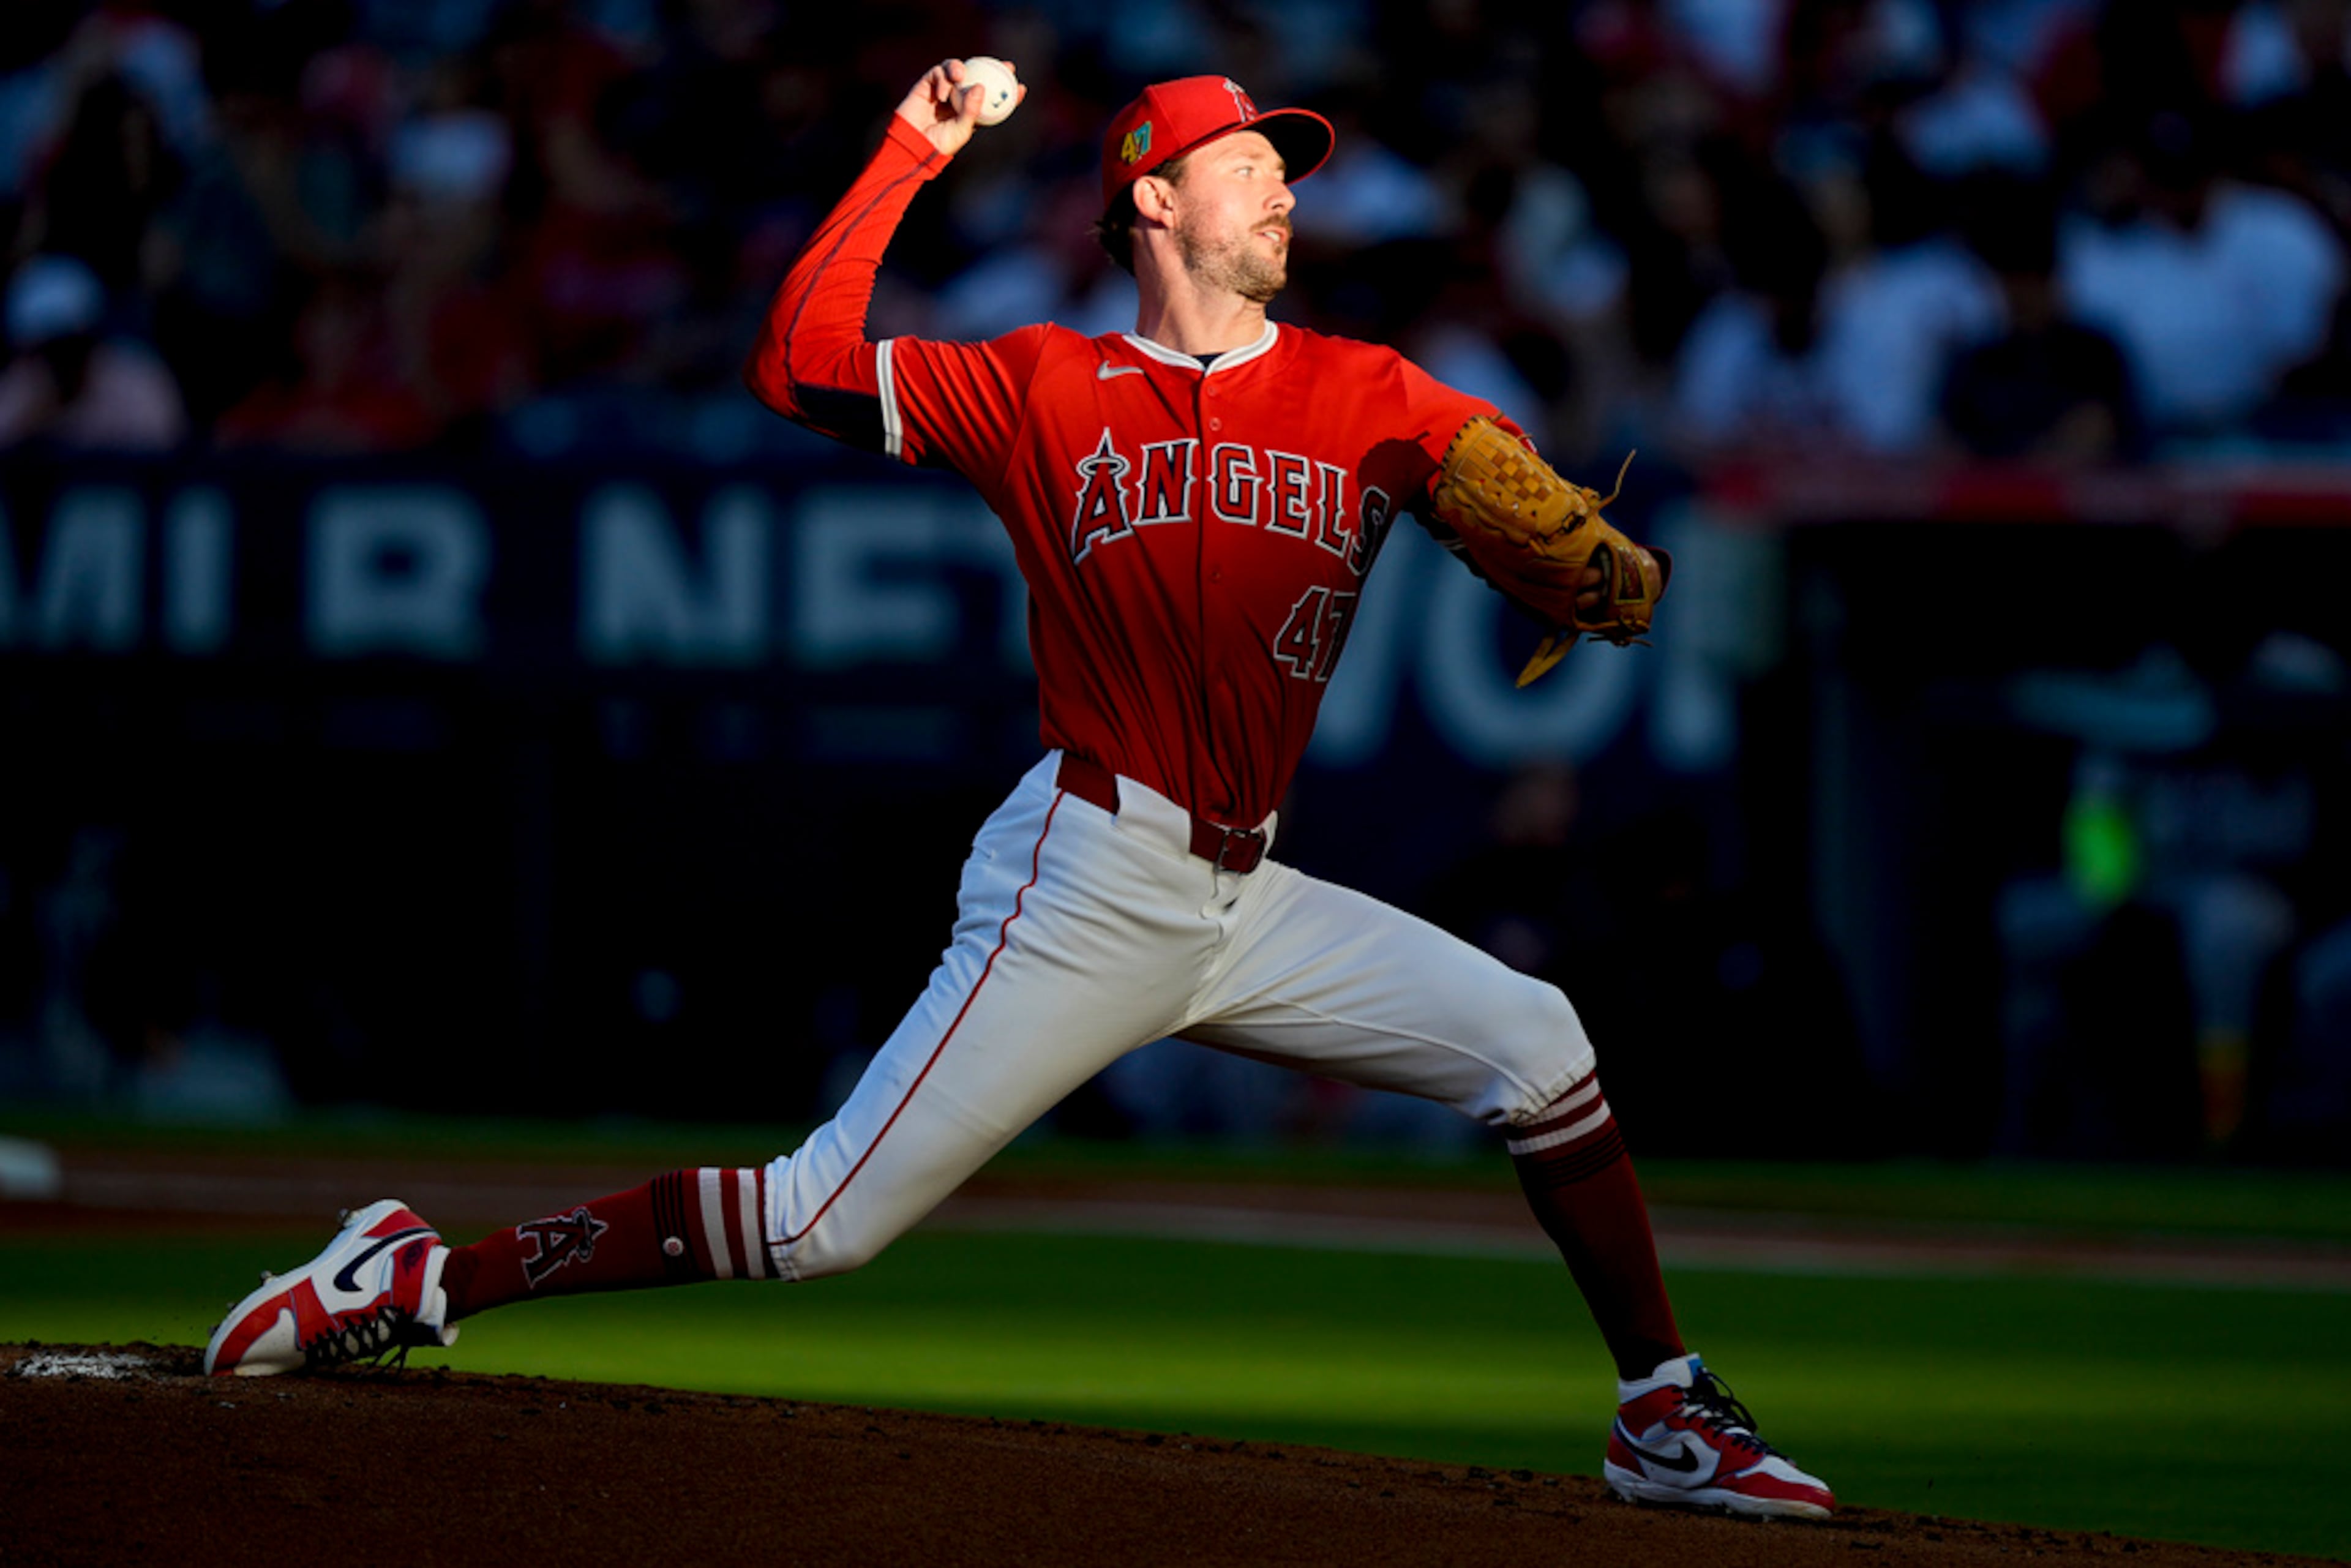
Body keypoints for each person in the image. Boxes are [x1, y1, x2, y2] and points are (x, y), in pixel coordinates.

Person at [202, 62, 1834, 1522]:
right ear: (1153, 195)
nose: (1281, 183)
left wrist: (1578, 558)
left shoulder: (1373, 395)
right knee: (817, 1220)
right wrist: (910, 151)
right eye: (1247, 158)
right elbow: (797, 363)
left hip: (1242, 897)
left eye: (1288, 160)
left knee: (1539, 1041)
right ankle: (418, 1270)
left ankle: (1660, 1412)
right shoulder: (1042, 383)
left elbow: (1543, 519)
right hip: (1088, 876)